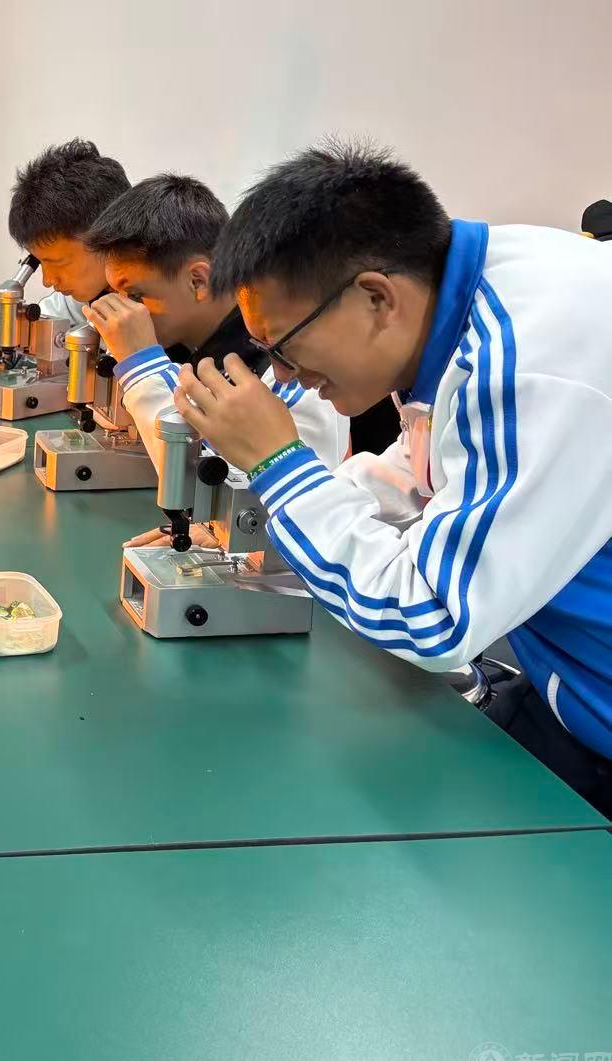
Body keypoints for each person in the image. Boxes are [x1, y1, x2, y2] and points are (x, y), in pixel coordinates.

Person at [169, 141, 612, 816]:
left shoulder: (527, 364)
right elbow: (425, 468)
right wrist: (255, 527)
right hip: (564, 685)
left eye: (285, 348)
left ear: (376, 297)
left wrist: (281, 469)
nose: (283, 376)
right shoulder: (455, 296)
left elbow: (434, 617)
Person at [77, 173, 347, 476]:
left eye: (135, 295)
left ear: (198, 281)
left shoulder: (287, 370)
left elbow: (248, 486)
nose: (126, 311)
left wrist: (141, 367)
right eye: (116, 293)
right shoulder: (188, 348)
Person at [0, 138, 128, 376]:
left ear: (110, 238)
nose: (48, 280)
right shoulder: (85, 296)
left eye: (59, 263)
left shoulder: (158, 304)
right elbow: (45, 318)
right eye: (41, 262)